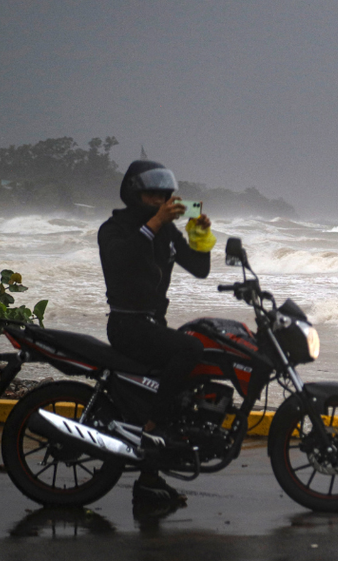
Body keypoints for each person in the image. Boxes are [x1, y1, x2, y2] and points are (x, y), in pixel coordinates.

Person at [97, 160, 216, 504]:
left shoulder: (165, 232)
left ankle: (149, 481)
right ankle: (152, 430)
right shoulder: (114, 229)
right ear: (134, 194)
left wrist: (199, 233)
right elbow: (125, 259)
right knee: (190, 350)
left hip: (152, 324)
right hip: (127, 325)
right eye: (153, 195)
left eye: (165, 195)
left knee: (185, 377)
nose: (161, 201)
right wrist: (156, 223)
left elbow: (199, 269)